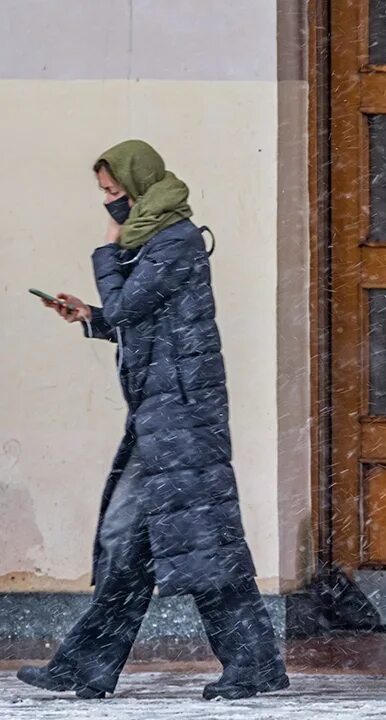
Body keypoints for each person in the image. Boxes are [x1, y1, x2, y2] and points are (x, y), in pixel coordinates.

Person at [17, 140, 288, 700]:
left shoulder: (174, 241)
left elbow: (127, 306)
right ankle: (87, 665)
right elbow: (133, 318)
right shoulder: (158, 242)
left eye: (113, 194)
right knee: (143, 543)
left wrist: (106, 252)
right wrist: (88, 317)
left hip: (183, 416)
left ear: (139, 188)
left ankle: (252, 664)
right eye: (105, 197)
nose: (109, 207)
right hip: (164, 413)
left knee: (196, 544)